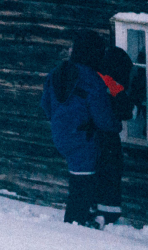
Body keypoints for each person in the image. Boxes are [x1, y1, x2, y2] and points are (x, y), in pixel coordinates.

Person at [41, 30, 115, 226]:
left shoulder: (55, 73)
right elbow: (103, 118)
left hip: (61, 135)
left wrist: (60, 121)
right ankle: (76, 227)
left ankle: (81, 218)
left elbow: (45, 105)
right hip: (83, 137)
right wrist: (116, 125)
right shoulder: (91, 79)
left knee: (79, 181)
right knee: (82, 185)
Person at [92, 34, 135, 228]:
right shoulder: (112, 84)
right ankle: (106, 213)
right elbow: (126, 110)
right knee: (111, 170)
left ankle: (95, 208)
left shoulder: (93, 76)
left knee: (97, 171)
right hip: (107, 135)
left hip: (90, 134)